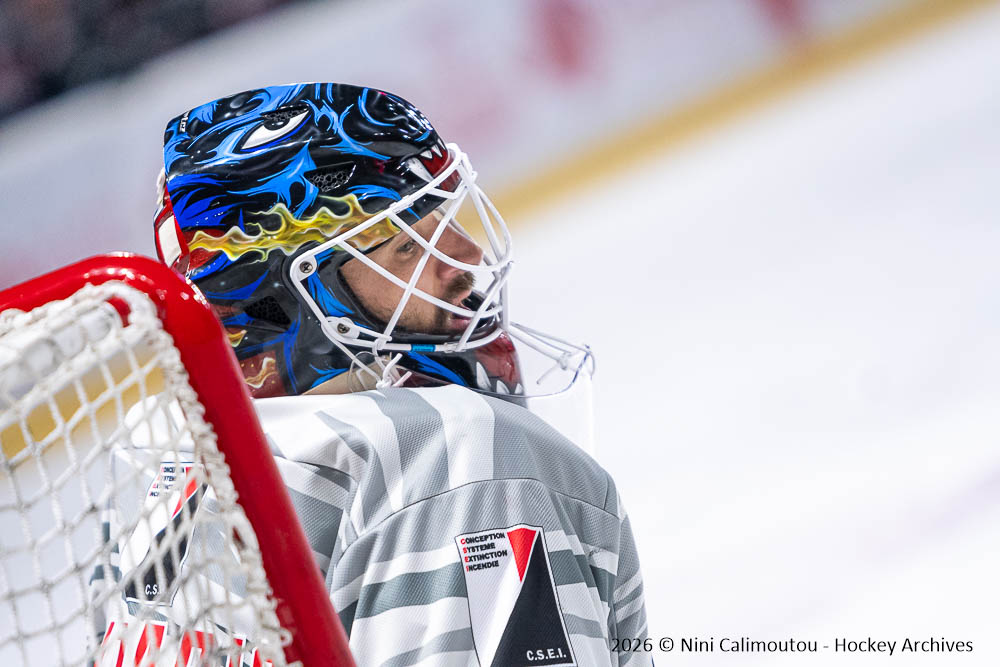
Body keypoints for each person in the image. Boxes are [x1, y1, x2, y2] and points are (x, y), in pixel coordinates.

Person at [149, 82, 649, 666]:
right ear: (289, 304)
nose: (466, 257)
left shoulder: (169, 466)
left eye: (442, 219)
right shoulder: (460, 456)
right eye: (404, 245)